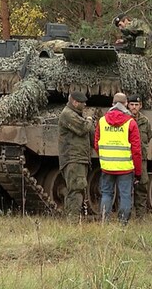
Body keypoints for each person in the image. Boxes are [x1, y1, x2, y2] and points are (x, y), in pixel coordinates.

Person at [94, 92, 142, 225]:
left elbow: (96, 143)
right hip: (125, 168)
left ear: (112, 104)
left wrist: (105, 157)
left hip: (107, 166)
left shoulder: (102, 121)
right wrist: (138, 172)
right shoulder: (131, 123)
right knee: (125, 196)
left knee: (106, 194)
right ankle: (122, 224)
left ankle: (104, 221)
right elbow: (136, 150)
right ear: (126, 104)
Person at [113, 13, 152, 108]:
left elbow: (131, 29)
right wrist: (124, 41)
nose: (120, 28)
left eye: (120, 25)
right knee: (150, 80)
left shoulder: (138, 23)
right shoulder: (135, 31)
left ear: (125, 20)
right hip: (145, 57)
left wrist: (124, 31)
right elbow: (134, 40)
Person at [58, 91, 95, 221]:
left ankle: (71, 218)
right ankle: (72, 221)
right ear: (74, 102)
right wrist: (90, 118)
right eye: (82, 102)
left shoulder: (74, 114)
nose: (85, 105)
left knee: (75, 189)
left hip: (78, 157)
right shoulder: (68, 114)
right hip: (74, 158)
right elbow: (83, 128)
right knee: (77, 189)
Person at [127, 94, 152, 218]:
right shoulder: (125, 119)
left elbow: (149, 137)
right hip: (127, 158)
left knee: (141, 187)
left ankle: (140, 216)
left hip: (141, 159)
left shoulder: (145, 121)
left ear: (140, 106)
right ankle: (126, 215)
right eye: (132, 105)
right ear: (128, 105)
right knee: (126, 187)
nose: (134, 107)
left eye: (136, 105)